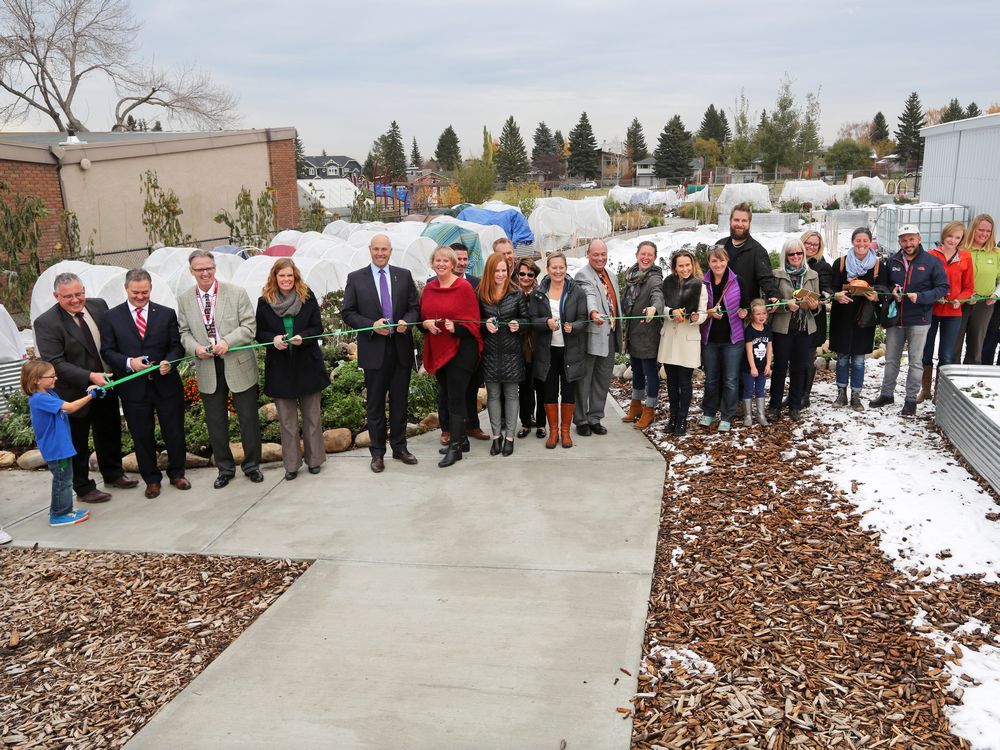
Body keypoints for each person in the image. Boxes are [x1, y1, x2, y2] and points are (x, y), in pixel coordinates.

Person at [33, 272, 136, 503]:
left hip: (108, 384)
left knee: (109, 431)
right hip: (74, 392)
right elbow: (55, 362)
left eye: (79, 294)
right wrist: (90, 376)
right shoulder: (46, 323)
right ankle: (83, 487)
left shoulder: (99, 306)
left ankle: (113, 473)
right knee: (77, 441)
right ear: (56, 296)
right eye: (68, 296)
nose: (75, 300)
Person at [177, 249, 264, 488]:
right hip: (207, 366)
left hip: (237, 363)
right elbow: (183, 332)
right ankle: (225, 469)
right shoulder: (184, 299)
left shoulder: (236, 293)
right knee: (216, 422)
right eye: (199, 269)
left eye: (209, 268)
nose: (205, 273)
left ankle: (252, 465)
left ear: (215, 268)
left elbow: (249, 327)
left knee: (248, 419)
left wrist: (228, 342)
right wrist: (195, 348)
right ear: (191, 271)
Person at [99, 269, 189, 499]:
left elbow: (176, 345)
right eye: (136, 292)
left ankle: (177, 473)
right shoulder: (111, 317)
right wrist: (129, 362)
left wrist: (170, 361)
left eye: (145, 292)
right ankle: (151, 480)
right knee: (141, 434)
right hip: (133, 389)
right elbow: (107, 350)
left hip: (166, 384)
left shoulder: (166, 313)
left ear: (151, 289)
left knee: (174, 431)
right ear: (126, 289)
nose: (140, 297)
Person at [342, 234, 421, 473]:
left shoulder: (403, 275)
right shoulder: (356, 278)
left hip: (400, 350)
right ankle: (377, 453)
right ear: (370, 250)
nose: (380, 253)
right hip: (374, 350)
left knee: (400, 402)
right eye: (376, 249)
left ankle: (400, 447)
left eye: (384, 249)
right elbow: (348, 312)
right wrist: (370, 325)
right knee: (375, 405)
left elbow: (414, 308)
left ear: (390, 251)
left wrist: (407, 321)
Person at [255, 258, 329, 481]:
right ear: (274, 278)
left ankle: (315, 460)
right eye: (282, 276)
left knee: (312, 417)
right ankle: (291, 464)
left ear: (295, 276)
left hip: (307, 364)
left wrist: (303, 338)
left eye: (289, 275)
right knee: (287, 421)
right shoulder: (264, 302)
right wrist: (273, 339)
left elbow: (318, 327)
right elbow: (259, 333)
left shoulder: (307, 297)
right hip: (280, 368)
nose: (286, 279)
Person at [870, 225, 950, 416]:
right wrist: (892, 293)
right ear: (899, 242)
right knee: (891, 359)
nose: (908, 244)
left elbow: (943, 287)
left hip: (919, 319)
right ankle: (887, 394)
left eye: (911, 239)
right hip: (895, 318)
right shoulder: (892, 261)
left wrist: (921, 297)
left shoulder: (931, 262)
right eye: (904, 240)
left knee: (915, 361)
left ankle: (910, 400)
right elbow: (882, 285)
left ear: (919, 239)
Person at [421, 245, 483, 468]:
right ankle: (462, 439)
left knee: (456, 399)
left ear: (453, 264)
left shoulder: (464, 288)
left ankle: (455, 448)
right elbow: (422, 318)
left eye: (446, 261)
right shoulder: (429, 289)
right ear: (432, 263)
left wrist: (456, 327)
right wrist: (425, 324)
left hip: (460, 352)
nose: (441, 264)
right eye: (437, 260)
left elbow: (474, 324)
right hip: (439, 350)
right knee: (446, 395)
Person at [22, 359, 99, 527]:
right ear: (36, 379)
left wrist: (88, 392)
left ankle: (65, 509)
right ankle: (58, 514)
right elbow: (70, 408)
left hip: (62, 446)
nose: (55, 378)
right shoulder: (39, 399)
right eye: (51, 376)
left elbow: (64, 407)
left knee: (65, 479)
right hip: (56, 449)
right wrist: (91, 396)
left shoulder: (49, 394)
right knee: (62, 481)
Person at [529, 252, 588, 449]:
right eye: (554, 267)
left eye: (561, 267)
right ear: (548, 269)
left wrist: (575, 326)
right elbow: (532, 320)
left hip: (570, 350)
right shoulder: (539, 292)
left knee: (569, 390)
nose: (558, 271)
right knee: (550, 390)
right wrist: (546, 322)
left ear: (566, 268)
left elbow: (583, 319)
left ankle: (565, 432)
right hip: (548, 350)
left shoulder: (576, 291)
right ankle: (553, 432)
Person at [477, 252, 528, 456]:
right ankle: (496, 437)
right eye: (496, 270)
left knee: (511, 395)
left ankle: (509, 437)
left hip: (511, 353)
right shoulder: (480, 293)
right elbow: (475, 322)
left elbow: (526, 319)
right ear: (490, 271)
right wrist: (484, 325)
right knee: (493, 396)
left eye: (504, 270)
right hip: (490, 354)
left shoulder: (516, 293)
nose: (500, 274)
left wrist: (519, 325)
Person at [438, 243, 487, 445]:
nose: (462, 263)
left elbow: (481, 314)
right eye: (458, 258)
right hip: (445, 345)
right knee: (446, 390)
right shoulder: (435, 282)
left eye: (466, 259)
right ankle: (447, 429)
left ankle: (472, 425)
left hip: (469, 344)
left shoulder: (477, 283)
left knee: (471, 387)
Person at [919, 222, 974, 402]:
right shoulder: (930, 255)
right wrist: (931, 295)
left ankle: (939, 393)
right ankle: (925, 390)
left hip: (953, 312)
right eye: (950, 236)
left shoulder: (965, 257)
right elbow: (924, 282)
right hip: (931, 310)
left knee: (947, 354)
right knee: (926, 351)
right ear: (943, 236)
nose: (953, 240)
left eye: (958, 237)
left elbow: (969, 286)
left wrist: (961, 298)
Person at [767, 238, 820, 422]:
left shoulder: (812, 275)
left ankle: (795, 405)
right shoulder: (777, 275)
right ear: (786, 256)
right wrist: (785, 306)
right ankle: (774, 405)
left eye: (799, 253)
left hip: (804, 328)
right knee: (780, 367)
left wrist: (813, 306)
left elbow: (817, 306)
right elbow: (770, 304)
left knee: (799, 368)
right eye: (792, 254)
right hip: (783, 328)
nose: (796, 256)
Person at [829, 228, 882, 411]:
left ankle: (856, 396)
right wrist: (836, 294)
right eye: (858, 240)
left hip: (864, 319)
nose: (861, 244)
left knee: (859, 360)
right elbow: (831, 286)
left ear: (870, 242)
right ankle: (841, 393)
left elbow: (884, 287)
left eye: (865, 240)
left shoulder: (876, 265)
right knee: (842, 357)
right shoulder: (841, 263)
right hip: (842, 316)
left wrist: (876, 296)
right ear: (852, 242)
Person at [573, 238, 622, 436]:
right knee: (584, 380)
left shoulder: (611, 275)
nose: (600, 258)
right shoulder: (582, 275)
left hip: (609, 335)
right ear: (588, 255)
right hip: (592, 335)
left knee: (602, 380)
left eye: (603, 254)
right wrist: (593, 313)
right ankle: (581, 420)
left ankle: (595, 418)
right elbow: (589, 295)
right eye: (596, 254)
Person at [658, 248, 707, 437]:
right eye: (681, 266)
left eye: (688, 265)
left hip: (688, 340)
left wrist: (694, 317)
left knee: (685, 382)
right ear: (675, 268)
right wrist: (671, 312)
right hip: (670, 338)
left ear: (692, 265)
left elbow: (703, 313)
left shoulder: (700, 286)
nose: (685, 269)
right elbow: (662, 306)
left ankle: (682, 418)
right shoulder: (668, 283)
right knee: (671, 382)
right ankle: (672, 417)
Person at [699, 246, 749, 431]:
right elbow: (699, 310)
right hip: (709, 338)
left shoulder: (738, 281)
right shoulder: (703, 283)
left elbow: (746, 306)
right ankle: (709, 412)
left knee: (730, 379)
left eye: (721, 260)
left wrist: (744, 312)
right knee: (711, 378)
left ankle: (727, 415)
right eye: (714, 261)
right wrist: (709, 313)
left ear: (727, 261)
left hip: (733, 339)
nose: (718, 264)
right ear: (709, 263)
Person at [621, 240, 665, 430]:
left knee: (650, 373)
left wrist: (655, 309)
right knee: (637, 371)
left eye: (650, 255)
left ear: (654, 258)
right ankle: (636, 405)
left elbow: (658, 295)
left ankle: (650, 409)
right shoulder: (631, 276)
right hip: (633, 332)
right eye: (643, 254)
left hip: (648, 333)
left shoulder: (654, 277)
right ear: (637, 254)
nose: (646, 257)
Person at [953, 214, 999, 365]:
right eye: (981, 230)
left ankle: (970, 383)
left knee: (976, 347)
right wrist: (964, 295)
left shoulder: (996, 253)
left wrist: (996, 293)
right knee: (954, 345)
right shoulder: (961, 250)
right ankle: (949, 383)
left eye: (988, 231)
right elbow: (952, 276)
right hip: (961, 303)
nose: (984, 234)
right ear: (973, 229)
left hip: (984, 304)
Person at [718, 202, 780, 301]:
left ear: (749, 223)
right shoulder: (720, 246)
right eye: (736, 220)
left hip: (746, 310)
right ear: (730, 221)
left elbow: (766, 279)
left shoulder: (758, 251)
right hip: (721, 310)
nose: (740, 224)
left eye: (744, 221)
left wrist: (774, 296)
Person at [801, 229, 835, 408]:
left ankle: (804, 395)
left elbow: (828, 287)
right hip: (794, 317)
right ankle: (795, 393)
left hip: (813, 318)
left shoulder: (822, 266)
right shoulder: (794, 259)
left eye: (815, 244)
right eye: (808, 243)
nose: (811, 247)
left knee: (808, 357)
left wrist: (826, 294)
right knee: (795, 358)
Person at [513, 258, 546, 439]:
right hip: (519, 347)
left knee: (541, 387)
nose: (526, 277)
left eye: (530, 274)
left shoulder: (541, 294)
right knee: (524, 388)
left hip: (540, 346)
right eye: (522, 274)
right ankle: (525, 423)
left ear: (535, 276)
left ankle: (541, 424)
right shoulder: (512, 293)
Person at [743, 300, 772, 427]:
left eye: (764, 313)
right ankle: (748, 415)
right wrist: (752, 367)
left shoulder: (767, 329)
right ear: (751, 316)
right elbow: (749, 351)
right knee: (748, 390)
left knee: (760, 390)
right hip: (750, 368)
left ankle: (761, 415)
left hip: (762, 367)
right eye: (758, 314)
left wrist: (768, 365)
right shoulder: (749, 330)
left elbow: (769, 348)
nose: (761, 316)